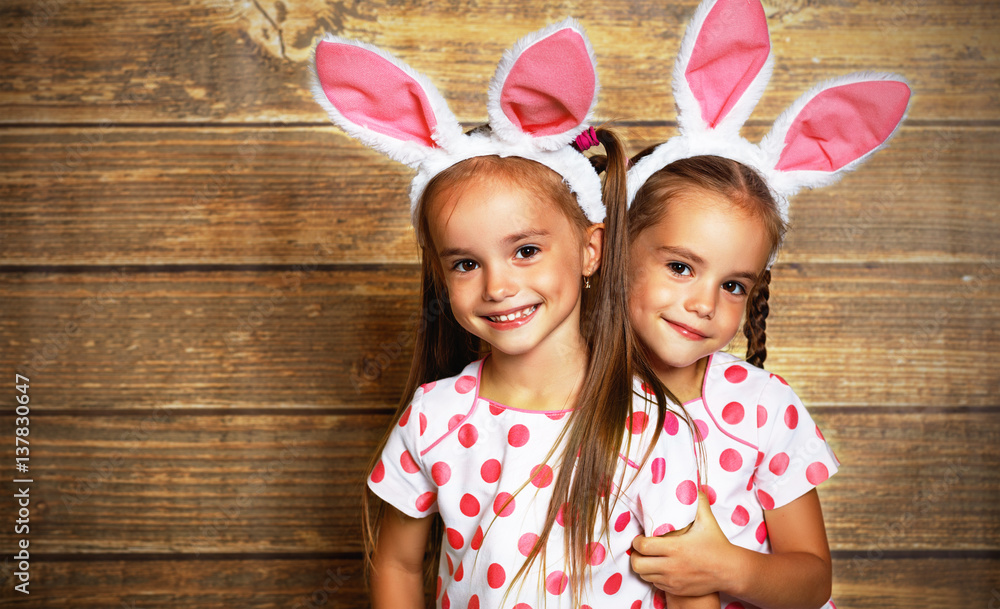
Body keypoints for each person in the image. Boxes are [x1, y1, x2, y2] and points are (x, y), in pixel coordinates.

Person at [311, 20, 704, 608]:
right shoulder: (433, 419)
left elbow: (688, 587)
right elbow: (396, 562)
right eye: (466, 264)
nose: (498, 286)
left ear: (590, 250)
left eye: (525, 251)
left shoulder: (648, 421)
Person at [622, 1, 911, 608]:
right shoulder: (557, 394)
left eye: (733, 285)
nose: (703, 304)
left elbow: (812, 580)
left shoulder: (762, 408)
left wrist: (729, 569)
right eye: (680, 267)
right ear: (614, 250)